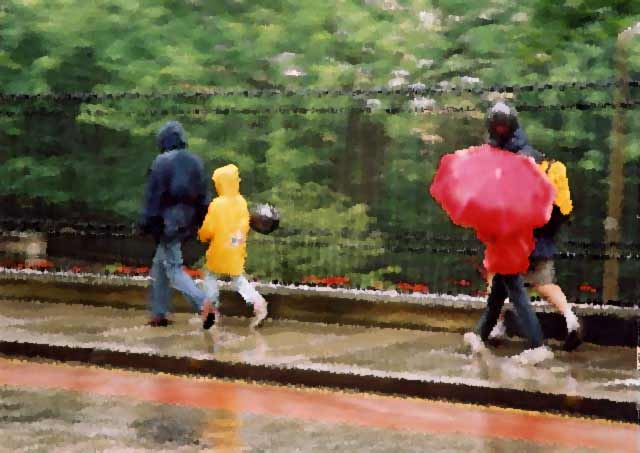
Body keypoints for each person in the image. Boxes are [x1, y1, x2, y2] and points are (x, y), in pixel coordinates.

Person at [463, 102, 554, 365]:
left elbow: (529, 193)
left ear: (511, 125)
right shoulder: (494, 149)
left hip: (514, 226)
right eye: (496, 126)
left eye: (504, 126)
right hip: (499, 223)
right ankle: (479, 335)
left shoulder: (526, 155)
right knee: (500, 289)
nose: (500, 130)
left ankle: (538, 345)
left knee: (512, 283)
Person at [484, 126, 582, 351]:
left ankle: (497, 325)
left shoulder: (509, 168)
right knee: (545, 283)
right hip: (543, 239)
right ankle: (570, 318)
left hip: (513, 239)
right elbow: (565, 209)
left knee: (495, 277)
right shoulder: (551, 168)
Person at [139, 120, 216, 328]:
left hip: (167, 221)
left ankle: (203, 303)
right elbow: (204, 197)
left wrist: (147, 222)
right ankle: (159, 313)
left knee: (172, 267)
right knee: (160, 265)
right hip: (187, 219)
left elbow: (154, 197)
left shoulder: (161, 162)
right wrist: (199, 222)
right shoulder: (196, 162)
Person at [198, 164, 268, 329]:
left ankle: (211, 309)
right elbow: (245, 224)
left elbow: (209, 228)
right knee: (238, 278)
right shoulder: (241, 202)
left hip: (219, 249)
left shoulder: (217, 204)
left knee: (210, 276)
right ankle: (259, 304)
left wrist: (201, 235)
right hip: (236, 247)